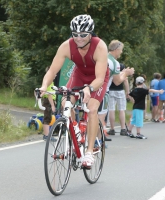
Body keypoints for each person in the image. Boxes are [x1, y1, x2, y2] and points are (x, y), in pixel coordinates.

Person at [39, 14, 110, 167]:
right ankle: (76, 130)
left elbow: (99, 78)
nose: (79, 38)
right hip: (79, 74)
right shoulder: (66, 46)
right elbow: (52, 71)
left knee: (91, 109)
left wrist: (89, 88)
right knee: (66, 102)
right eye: (75, 35)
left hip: (97, 78)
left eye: (83, 35)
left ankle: (89, 152)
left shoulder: (100, 46)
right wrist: (44, 86)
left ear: (90, 33)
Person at [101, 40, 134, 138]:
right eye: (121, 50)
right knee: (119, 110)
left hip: (100, 89)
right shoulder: (115, 63)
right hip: (105, 91)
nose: (121, 52)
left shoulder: (103, 57)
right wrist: (126, 73)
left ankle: (110, 129)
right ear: (116, 49)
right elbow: (117, 81)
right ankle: (97, 140)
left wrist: (123, 73)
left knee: (109, 110)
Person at [107, 62, 130, 136]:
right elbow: (125, 81)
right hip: (120, 90)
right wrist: (128, 91)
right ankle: (123, 129)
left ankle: (112, 129)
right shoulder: (122, 70)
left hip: (111, 90)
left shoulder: (112, 68)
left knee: (111, 109)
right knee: (121, 109)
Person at [42, 67, 57, 142]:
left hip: (49, 101)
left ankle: (47, 134)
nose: (56, 75)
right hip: (48, 101)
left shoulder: (50, 81)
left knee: (48, 117)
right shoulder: (49, 81)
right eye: (54, 73)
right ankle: (46, 135)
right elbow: (49, 94)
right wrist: (53, 105)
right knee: (47, 117)